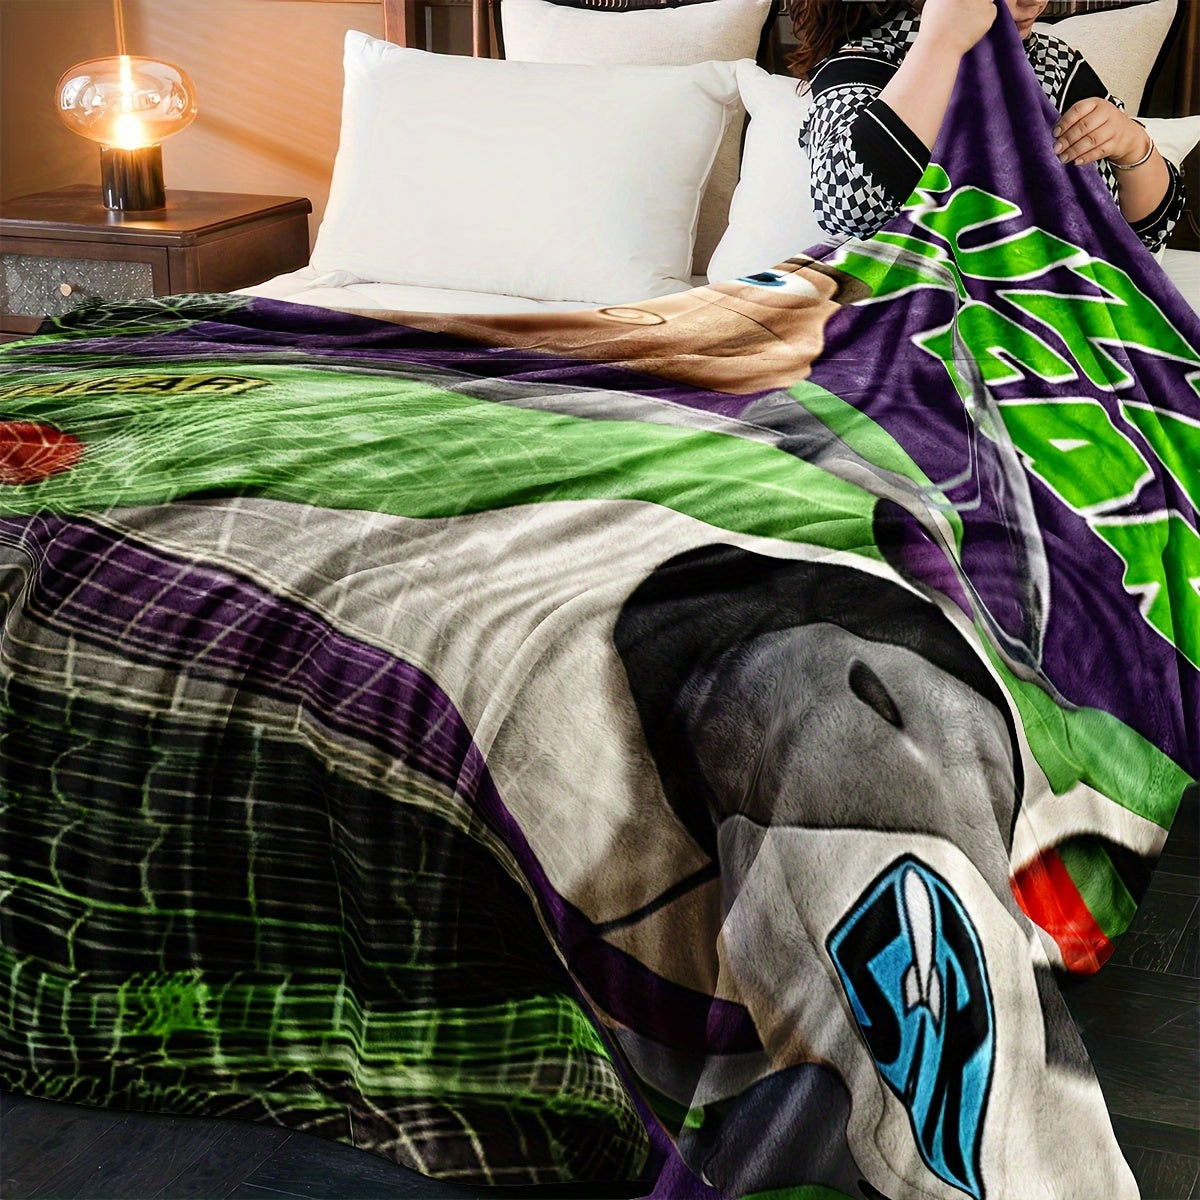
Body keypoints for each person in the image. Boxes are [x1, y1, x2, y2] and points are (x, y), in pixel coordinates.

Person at [788, 0, 1184, 252]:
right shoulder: (870, 61)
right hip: (915, 320)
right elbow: (847, 208)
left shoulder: (1055, 63)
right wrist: (940, 42)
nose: (1033, 1)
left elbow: (1145, 238)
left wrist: (1134, 147)